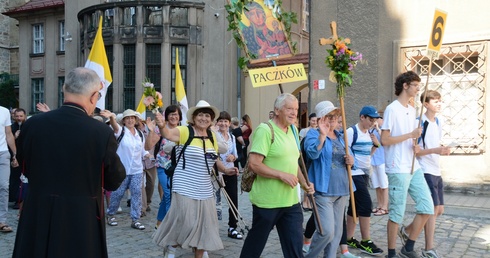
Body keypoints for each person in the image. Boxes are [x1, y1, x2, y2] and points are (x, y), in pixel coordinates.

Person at [12, 67, 126, 257]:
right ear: (93, 97)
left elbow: (25, 165)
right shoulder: (100, 132)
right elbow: (113, 179)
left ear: (64, 89)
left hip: (38, 210)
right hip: (80, 218)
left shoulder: (33, 124)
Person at [153, 100, 238, 258]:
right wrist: (161, 125)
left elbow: (213, 159)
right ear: (193, 117)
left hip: (205, 188)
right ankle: (171, 246)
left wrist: (226, 169)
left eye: (207, 115)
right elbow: (168, 134)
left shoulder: (213, 136)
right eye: (200, 115)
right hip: (183, 184)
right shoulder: (185, 131)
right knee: (185, 221)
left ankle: (199, 250)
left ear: (211, 119)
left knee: (204, 225)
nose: (204, 118)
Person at [239, 93, 314, 258]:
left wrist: (304, 184)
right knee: (255, 245)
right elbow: (254, 163)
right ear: (277, 110)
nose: (294, 113)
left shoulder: (294, 129)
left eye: (295, 109)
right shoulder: (265, 130)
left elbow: (293, 163)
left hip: (291, 202)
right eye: (289, 108)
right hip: (267, 202)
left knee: (295, 248)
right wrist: (281, 175)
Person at [380, 71, 433, 258]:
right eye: (416, 85)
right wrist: (410, 135)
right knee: (396, 213)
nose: (419, 89)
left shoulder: (412, 110)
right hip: (397, 167)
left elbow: (410, 138)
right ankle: (392, 253)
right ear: (405, 85)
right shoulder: (392, 109)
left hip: (413, 165)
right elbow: (384, 140)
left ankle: (408, 246)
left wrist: (415, 144)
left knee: (427, 206)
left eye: (419, 85)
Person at [401, 90, 450, 258]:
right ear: (426, 104)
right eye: (435, 101)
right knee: (432, 209)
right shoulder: (420, 123)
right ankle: (429, 248)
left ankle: (407, 229)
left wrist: (442, 149)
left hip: (436, 169)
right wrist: (436, 150)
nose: (439, 103)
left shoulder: (438, 121)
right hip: (425, 170)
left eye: (440, 100)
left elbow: (434, 144)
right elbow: (416, 151)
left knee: (439, 209)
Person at [302, 101, 354, 258]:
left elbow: (352, 158)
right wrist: (322, 136)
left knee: (337, 234)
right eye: (329, 115)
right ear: (321, 118)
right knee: (327, 232)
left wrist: (351, 160)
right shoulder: (312, 134)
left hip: (342, 188)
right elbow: (312, 154)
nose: (334, 118)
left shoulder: (340, 136)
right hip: (323, 190)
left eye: (335, 115)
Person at [345, 106, 384, 256]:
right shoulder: (351, 132)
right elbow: (345, 151)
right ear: (362, 117)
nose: (372, 122)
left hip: (364, 173)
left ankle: (348, 238)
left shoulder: (370, 134)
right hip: (354, 173)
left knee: (353, 205)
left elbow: (369, 154)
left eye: (374, 120)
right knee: (366, 204)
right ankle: (366, 241)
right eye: (370, 119)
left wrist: (375, 144)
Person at [104, 109, 150, 230]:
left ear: (135, 120)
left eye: (132, 118)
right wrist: (112, 117)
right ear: (123, 121)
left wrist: (147, 155)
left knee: (136, 194)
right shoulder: (121, 131)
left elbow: (142, 150)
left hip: (137, 170)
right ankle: (110, 214)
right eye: (127, 118)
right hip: (122, 170)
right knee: (117, 193)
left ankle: (135, 219)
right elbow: (115, 126)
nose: (130, 120)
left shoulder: (139, 134)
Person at [154, 105, 182, 229]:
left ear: (180, 116)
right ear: (167, 116)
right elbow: (148, 145)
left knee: (167, 196)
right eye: (171, 114)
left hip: (178, 168)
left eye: (176, 114)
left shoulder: (184, 130)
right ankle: (172, 228)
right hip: (163, 166)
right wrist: (151, 131)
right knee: (169, 194)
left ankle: (159, 223)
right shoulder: (160, 129)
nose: (173, 117)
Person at [215, 111, 242, 239]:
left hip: (230, 171)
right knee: (215, 201)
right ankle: (212, 228)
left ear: (229, 123)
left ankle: (232, 226)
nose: (223, 123)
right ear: (217, 122)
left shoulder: (231, 137)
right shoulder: (214, 136)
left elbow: (236, 154)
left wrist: (233, 157)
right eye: (221, 121)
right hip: (216, 173)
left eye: (226, 121)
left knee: (233, 199)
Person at [0, 105, 18, 234]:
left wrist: (15, 154)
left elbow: (8, 133)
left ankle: (2, 220)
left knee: (4, 186)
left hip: (3, 153)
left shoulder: (4, 111)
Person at [370, 111, 389, 216]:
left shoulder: (383, 131)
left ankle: (385, 206)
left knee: (384, 184)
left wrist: (378, 128)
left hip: (382, 160)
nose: (376, 120)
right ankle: (379, 204)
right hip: (373, 160)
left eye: (379, 118)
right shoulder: (371, 130)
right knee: (376, 184)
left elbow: (384, 141)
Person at [9, 108, 26, 209]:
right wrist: (14, 137)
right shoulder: (11, 127)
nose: (19, 118)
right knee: (15, 177)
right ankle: (16, 199)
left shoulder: (28, 126)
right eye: (17, 116)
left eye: (21, 116)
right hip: (14, 155)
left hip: (25, 155)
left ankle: (24, 198)